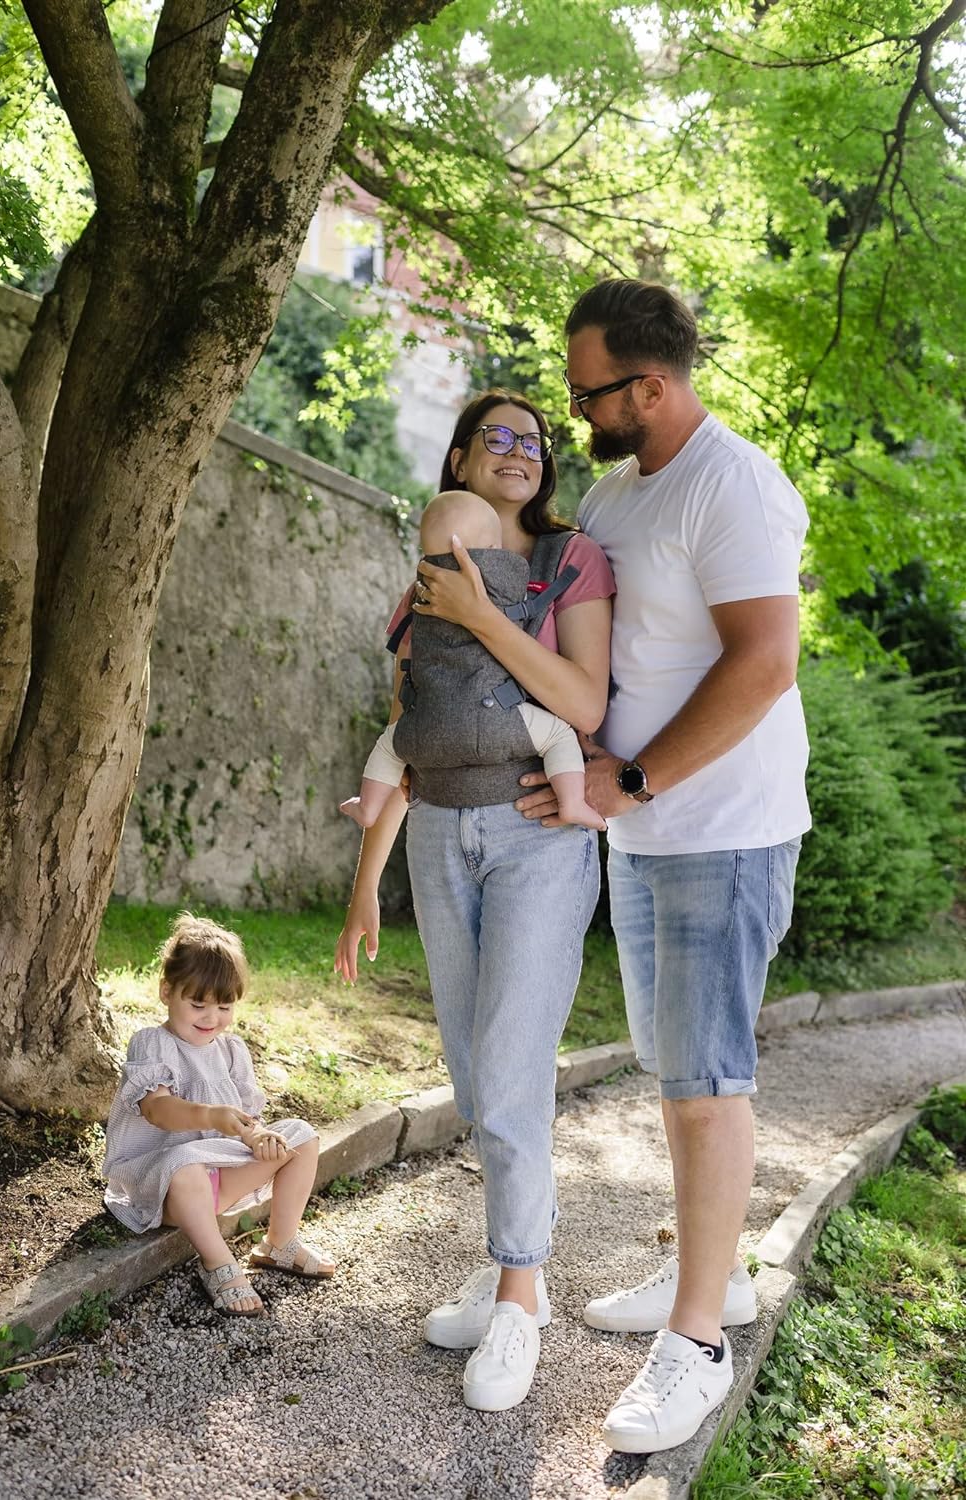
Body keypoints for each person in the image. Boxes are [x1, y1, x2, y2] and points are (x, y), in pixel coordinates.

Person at [517, 279, 810, 1452]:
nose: (576, 409)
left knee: (705, 1083)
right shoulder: (612, 489)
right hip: (642, 830)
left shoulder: (732, 485)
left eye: (589, 390)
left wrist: (630, 780)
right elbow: (609, 650)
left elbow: (763, 665)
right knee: (675, 1069)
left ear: (650, 385)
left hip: (718, 831)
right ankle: (711, 1275)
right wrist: (589, 759)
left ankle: (694, 1343)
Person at [335, 390, 614, 1411]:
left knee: (507, 1067)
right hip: (443, 832)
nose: (517, 451)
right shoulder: (424, 580)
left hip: (536, 831)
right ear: (456, 459)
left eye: (532, 440)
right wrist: (366, 883)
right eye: (494, 436)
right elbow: (416, 728)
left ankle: (521, 1298)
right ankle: (507, 1269)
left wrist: (484, 611)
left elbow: (582, 704)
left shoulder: (568, 562)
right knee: (469, 1063)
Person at [103, 912, 334, 1316]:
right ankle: (218, 1264)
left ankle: (280, 1243)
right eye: (198, 1005)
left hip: (219, 1178)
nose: (212, 1019)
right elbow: (157, 1110)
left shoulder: (231, 1051)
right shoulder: (153, 1044)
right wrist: (212, 1116)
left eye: (224, 1006)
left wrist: (257, 1135)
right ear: (166, 992)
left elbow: (243, 1117)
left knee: (300, 1135)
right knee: (184, 1165)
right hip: (166, 1184)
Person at [339, 488, 604, 832]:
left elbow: (399, 706)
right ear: (493, 549)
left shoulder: (422, 591)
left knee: (390, 745)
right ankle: (572, 802)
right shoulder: (508, 576)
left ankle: (367, 806)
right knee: (558, 735)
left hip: (426, 728)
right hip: (496, 719)